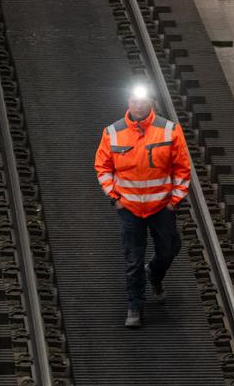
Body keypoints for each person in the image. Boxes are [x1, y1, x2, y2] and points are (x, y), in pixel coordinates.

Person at [94, 85, 192, 327]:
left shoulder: (169, 130)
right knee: (133, 259)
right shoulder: (113, 133)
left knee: (168, 250)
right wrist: (115, 197)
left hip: (161, 207)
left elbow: (182, 167)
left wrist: (174, 200)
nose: (138, 105)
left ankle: (154, 275)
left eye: (143, 101)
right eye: (134, 101)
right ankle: (134, 307)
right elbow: (103, 167)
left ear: (150, 102)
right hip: (130, 209)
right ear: (128, 101)